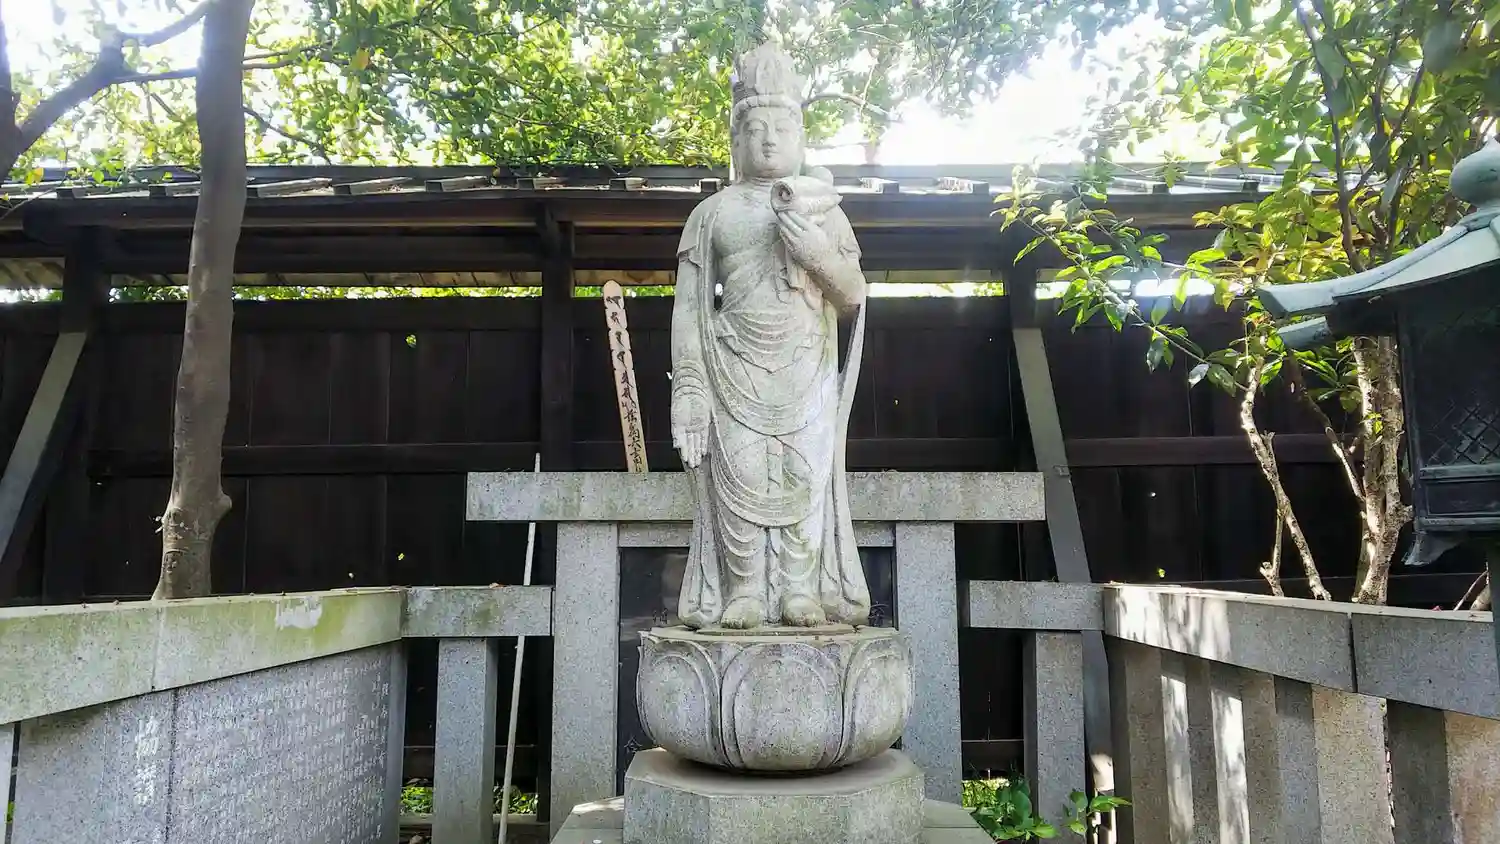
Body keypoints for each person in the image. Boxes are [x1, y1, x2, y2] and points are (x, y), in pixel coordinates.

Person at [670, 41, 870, 630]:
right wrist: (689, 387)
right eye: (754, 129)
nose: (767, 141)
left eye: (781, 129)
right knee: (742, 474)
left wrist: (817, 254)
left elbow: (853, 295)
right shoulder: (711, 215)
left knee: (804, 475)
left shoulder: (825, 211)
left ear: (801, 137)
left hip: (806, 361)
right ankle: (745, 591)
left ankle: (800, 590)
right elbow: (688, 309)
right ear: (735, 141)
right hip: (732, 360)